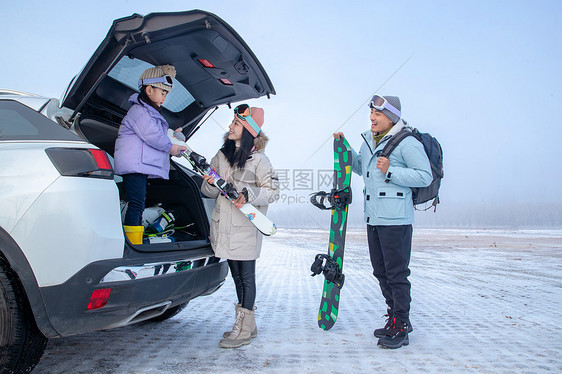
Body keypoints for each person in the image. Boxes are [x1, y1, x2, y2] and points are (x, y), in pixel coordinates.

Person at [334, 95, 432, 349]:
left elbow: (425, 176)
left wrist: (391, 170)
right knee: (380, 271)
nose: (372, 118)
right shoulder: (369, 139)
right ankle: (395, 318)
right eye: (371, 114)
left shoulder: (407, 142)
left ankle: (402, 323)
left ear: (391, 117)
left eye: (377, 114)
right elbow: (362, 168)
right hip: (374, 216)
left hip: (397, 219)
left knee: (397, 274)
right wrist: (345, 148)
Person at [201, 104, 279, 349]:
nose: (229, 126)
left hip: (245, 228)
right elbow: (207, 191)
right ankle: (249, 326)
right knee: (237, 276)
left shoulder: (259, 160)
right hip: (223, 225)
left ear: (246, 130)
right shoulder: (221, 155)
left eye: (235, 124)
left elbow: (273, 192)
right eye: (232, 122)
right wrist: (211, 182)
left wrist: (248, 193)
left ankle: (243, 329)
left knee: (246, 277)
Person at [114, 64, 186, 244]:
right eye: (163, 93)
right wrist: (173, 148)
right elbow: (153, 136)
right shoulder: (139, 111)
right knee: (137, 204)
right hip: (134, 166)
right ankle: (132, 244)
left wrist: (172, 135)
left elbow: (157, 133)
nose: (164, 98)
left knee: (138, 203)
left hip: (137, 166)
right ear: (149, 89)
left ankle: (134, 241)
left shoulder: (147, 112)